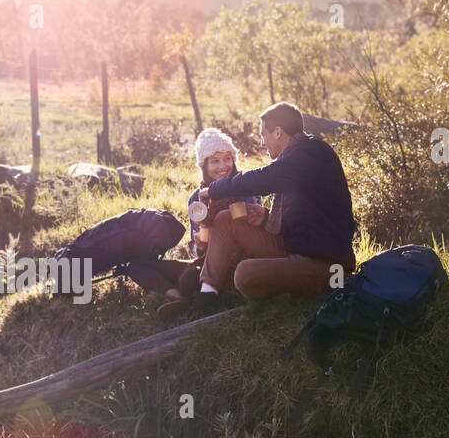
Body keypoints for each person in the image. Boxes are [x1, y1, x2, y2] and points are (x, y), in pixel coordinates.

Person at [157, 103, 357, 322]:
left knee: (244, 274)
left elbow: (264, 178)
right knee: (226, 219)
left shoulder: (311, 153)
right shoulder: (296, 157)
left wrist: (215, 189)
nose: (262, 142)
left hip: (330, 265)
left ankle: (297, 293)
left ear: (278, 132)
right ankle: (206, 298)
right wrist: (266, 218)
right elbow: (305, 217)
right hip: (296, 249)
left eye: (264, 134)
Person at [124, 127, 260, 299]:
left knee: (189, 280)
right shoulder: (196, 197)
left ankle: (197, 293)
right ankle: (175, 296)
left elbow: (252, 235)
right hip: (206, 263)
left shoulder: (244, 187)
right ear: (204, 165)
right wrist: (200, 246)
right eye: (215, 161)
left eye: (227, 159)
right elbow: (196, 249)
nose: (223, 166)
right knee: (138, 267)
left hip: (241, 263)